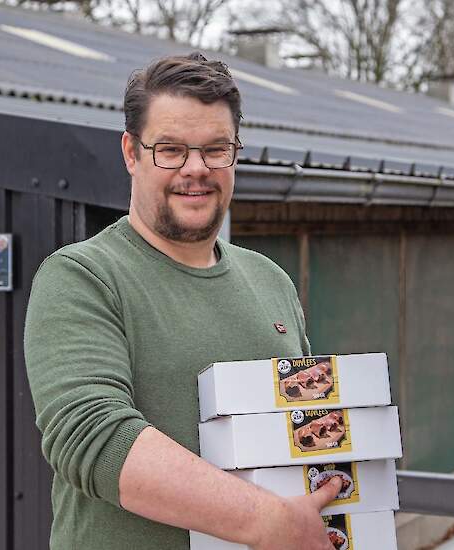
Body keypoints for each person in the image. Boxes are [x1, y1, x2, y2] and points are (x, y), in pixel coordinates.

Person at [24, 52, 342, 550]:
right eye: (170, 150)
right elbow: (93, 437)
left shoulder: (271, 280)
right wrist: (268, 522)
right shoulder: (82, 277)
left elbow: (301, 432)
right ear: (131, 152)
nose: (196, 169)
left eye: (216, 149)